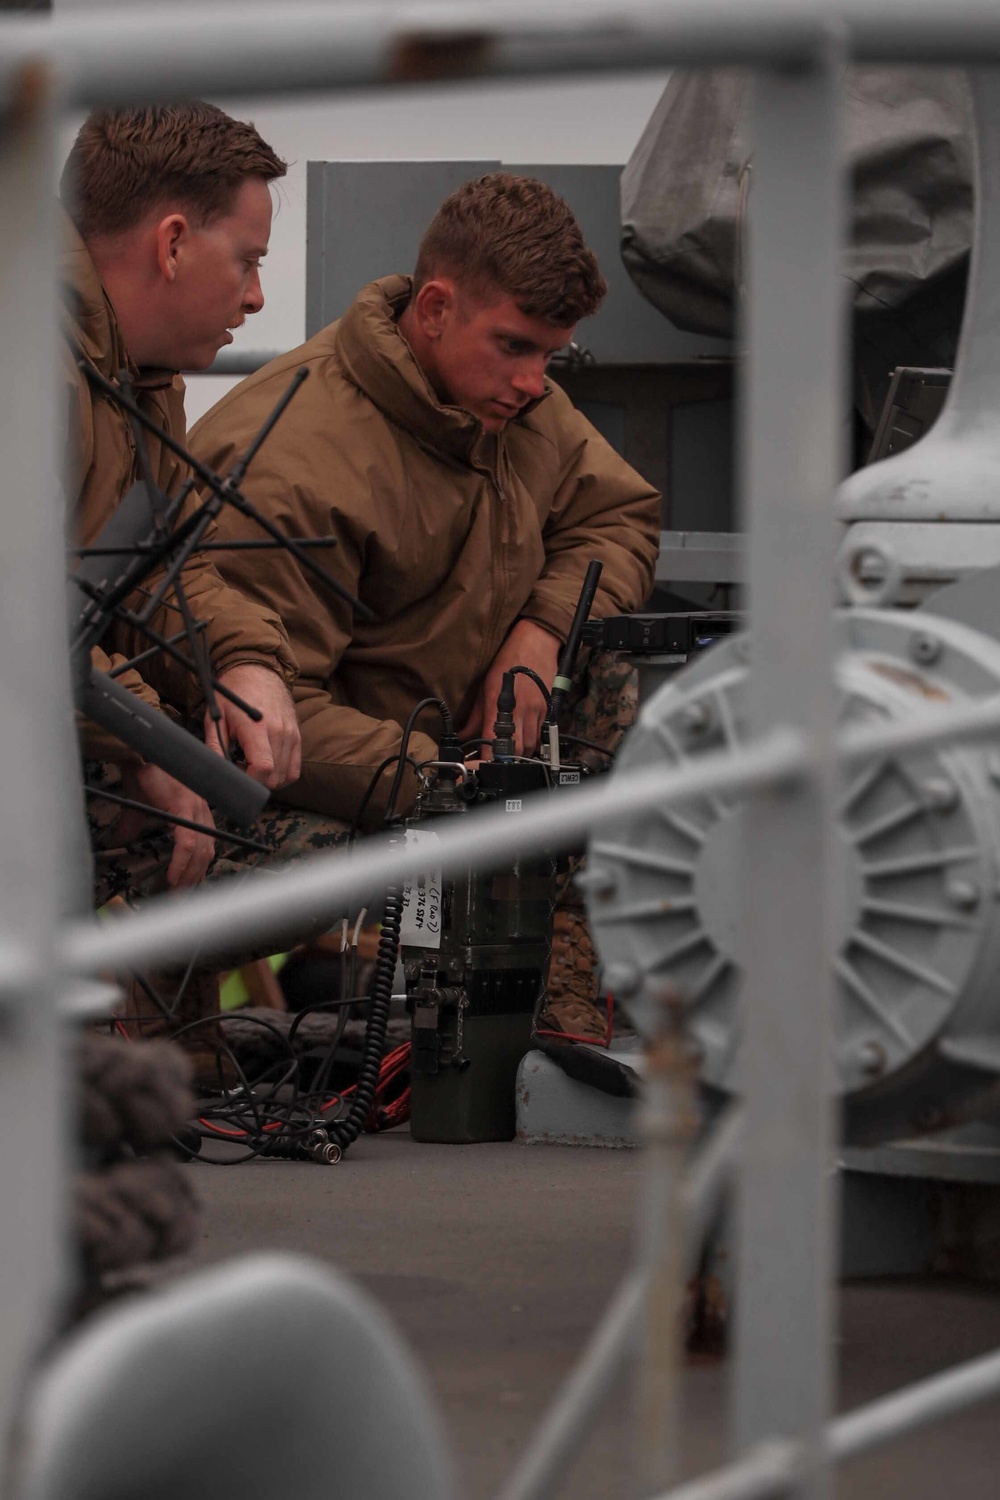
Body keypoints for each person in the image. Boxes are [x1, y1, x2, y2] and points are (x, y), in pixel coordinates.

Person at [190, 173, 660, 1038]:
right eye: (515, 347)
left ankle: (553, 987)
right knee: (280, 855)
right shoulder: (292, 458)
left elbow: (618, 514)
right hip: (322, 779)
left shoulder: (524, 412)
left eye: (551, 357)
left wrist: (540, 632)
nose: (533, 382)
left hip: (447, 746)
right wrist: (445, 786)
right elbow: (267, 716)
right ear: (436, 308)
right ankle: (156, 1003)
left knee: (609, 661)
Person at [62, 101, 302, 896]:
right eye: (247, 260)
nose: (258, 296)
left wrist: (241, 662)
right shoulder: (29, 370)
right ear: (171, 244)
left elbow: (165, 568)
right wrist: (146, 745)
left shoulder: (141, 375)